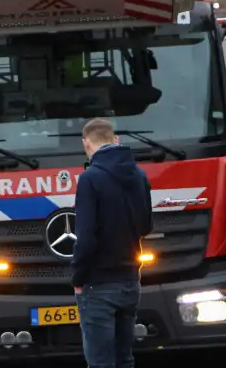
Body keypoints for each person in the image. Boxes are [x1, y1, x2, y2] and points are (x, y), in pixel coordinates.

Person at [72, 118, 153, 368]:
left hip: (98, 283)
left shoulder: (90, 178)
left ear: (86, 144)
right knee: (124, 359)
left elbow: (85, 238)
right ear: (115, 140)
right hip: (130, 280)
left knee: (100, 362)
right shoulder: (139, 175)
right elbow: (145, 226)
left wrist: (78, 278)